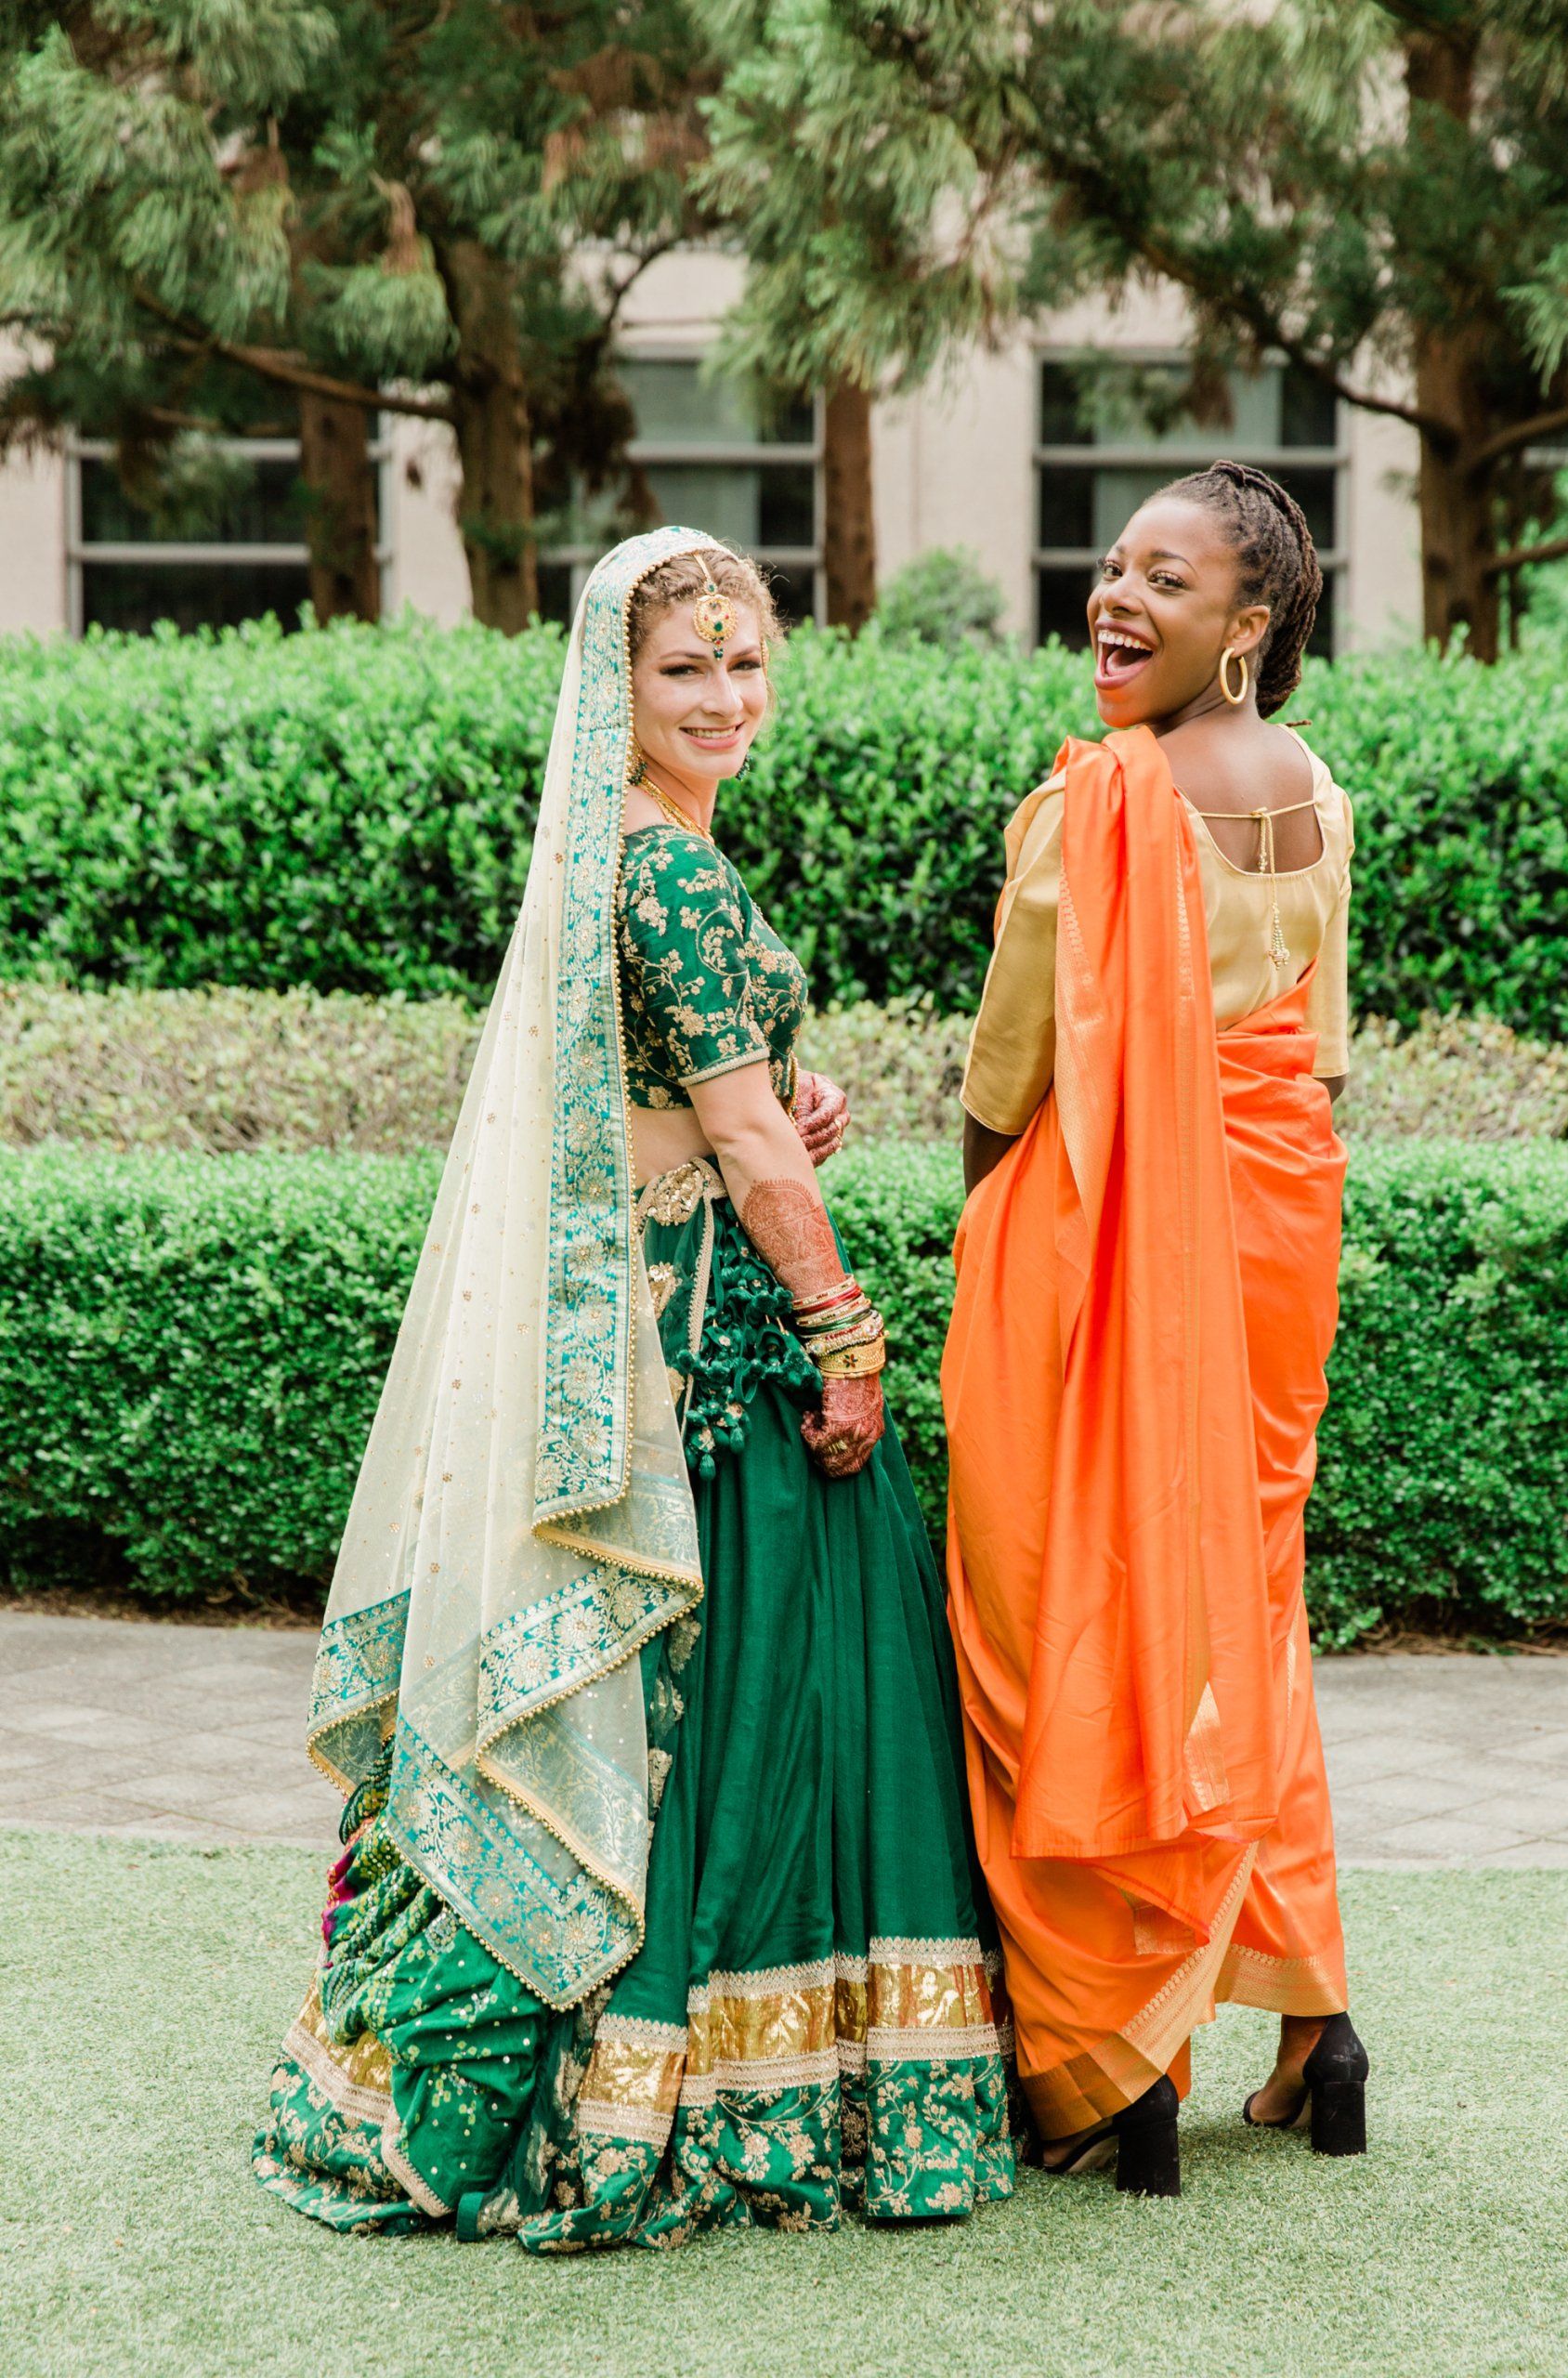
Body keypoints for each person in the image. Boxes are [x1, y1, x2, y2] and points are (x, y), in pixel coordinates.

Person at [254, 526, 1013, 2250]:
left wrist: (775, 1107)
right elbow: (737, 1139)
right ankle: (704, 2087)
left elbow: (697, 1096)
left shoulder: (637, 851)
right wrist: (842, 1324)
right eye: (689, 669)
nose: (728, 696)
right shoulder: (660, 870)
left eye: (747, 662)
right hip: (708, 1345)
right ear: (619, 685)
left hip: (658, 1295)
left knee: (727, 1692)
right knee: (758, 1689)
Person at [942, 461, 1368, 2199]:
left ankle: (1116, 2059)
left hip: (1096, 1234)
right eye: (1113, 566)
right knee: (1244, 1619)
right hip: (1278, 1229)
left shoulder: (1096, 804)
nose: (1117, 597)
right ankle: (1314, 2032)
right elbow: (1324, 1050)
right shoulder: (1321, 791)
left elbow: (1012, 1060)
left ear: (1247, 624)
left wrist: (979, 1206)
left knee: (1065, 1619)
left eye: (1167, 580)